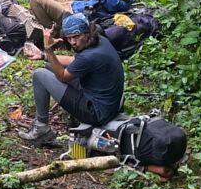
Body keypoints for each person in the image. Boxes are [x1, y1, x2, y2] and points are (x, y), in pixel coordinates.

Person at [20, 12, 125, 145]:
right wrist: (42, 55)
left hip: (96, 113)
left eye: (76, 37)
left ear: (86, 32)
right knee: (49, 66)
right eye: (69, 38)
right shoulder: (99, 41)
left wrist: (49, 50)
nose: (73, 42)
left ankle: (41, 128)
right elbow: (73, 60)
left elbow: (63, 76)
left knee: (39, 75)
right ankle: (62, 120)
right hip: (108, 103)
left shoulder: (90, 56)